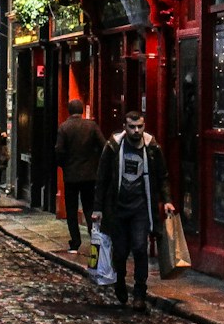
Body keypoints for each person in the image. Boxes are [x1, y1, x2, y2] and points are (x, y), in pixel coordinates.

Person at [94, 108, 172, 312]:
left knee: (139, 248)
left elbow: (162, 175)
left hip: (141, 208)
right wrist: (98, 208)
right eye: (132, 127)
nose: (136, 131)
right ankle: (120, 281)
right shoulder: (113, 147)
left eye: (140, 126)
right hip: (118, 208)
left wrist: (167, 200)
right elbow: (102, 179)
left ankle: (139, 293)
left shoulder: (152, 148)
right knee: (120, 252)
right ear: (124, 127)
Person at [54, 99, 104, 254]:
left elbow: (59, 151)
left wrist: (64, 165)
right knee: (89, 207)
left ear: (69, 110)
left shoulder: (64, 127)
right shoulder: (91, 126)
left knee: (71, 209)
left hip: (71, 176)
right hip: (90, 175)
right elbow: (104, 146)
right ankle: (94, 237)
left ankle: (75, 242)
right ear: (82, 110)